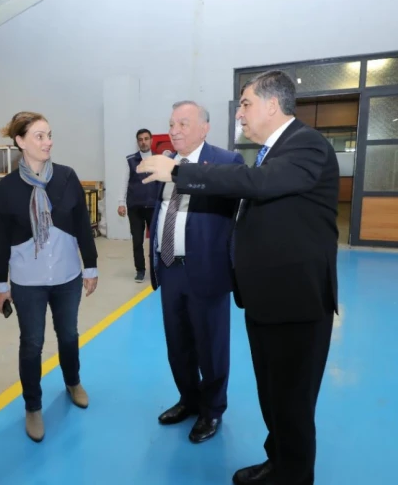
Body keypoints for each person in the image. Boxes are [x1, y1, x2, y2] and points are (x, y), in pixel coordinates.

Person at [138, 71, 339, 485]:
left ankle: (293, 475)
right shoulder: (273, 150)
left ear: (272, 104)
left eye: (245, 103)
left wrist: (178, 172)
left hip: (296, 301)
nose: (241, 113)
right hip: (267, 298)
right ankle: (278, 462)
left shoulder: (306, 144)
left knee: (292, 401)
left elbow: (255, 183)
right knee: (273, 395)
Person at [0, 111, 98, 443]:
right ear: (20, 141)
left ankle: (73, 381)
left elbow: (82, 224)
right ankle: (33, 406)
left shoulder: (66, 177)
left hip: (67, 277)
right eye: (39, 136)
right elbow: (0, 240)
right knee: (32, 343)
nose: (48, 142)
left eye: (49, 135)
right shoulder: (8, 187)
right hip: (27, 282)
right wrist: (0, 284)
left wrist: (91, 266)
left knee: (69, 335)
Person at [148, 101, 243, 444]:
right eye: (172, 124)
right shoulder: (165, 162)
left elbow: (233, 201)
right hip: (170, 267)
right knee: (178, 344)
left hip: (207, 271)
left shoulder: (227, 162)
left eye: (183, 124)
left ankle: (212, 409)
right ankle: (188, 399)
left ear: (205, 128)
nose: (174, 130)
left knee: (211, 346)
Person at [117, 128, 158, 282]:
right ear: (137, 142)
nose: (143, 142)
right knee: (137, 241)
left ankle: (155, 269)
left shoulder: (158, 159)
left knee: (156, 241)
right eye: (140, 139)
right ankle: (140, 270)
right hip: (135, 208)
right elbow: (124, 181)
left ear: (151, 140)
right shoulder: (130, 160)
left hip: (154, 207)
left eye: (146, 139)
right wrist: (121, 203)